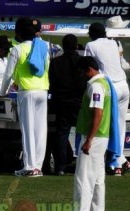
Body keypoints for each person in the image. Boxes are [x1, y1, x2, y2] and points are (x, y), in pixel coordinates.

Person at [62, 56, 111, 211]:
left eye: (82, 71)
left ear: (89, 69)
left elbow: (98, 113)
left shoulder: (96, 86)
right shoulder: (105, 83)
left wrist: (88, 140)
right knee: (97, 180)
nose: (81, 75)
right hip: (101, 136)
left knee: (83, 179)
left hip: (94, 138)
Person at [0, 17, 50, 177]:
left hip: (26, 91)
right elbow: (47, 67)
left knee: (28, 130)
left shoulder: (17, 49)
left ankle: (29, 167)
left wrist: (2, 92)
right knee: (41, 130)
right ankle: (38, 166)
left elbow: (7, 74)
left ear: (20, 34)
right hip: (43, 90)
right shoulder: (43, 47)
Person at [85, 22, 130, 176]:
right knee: (119, 125)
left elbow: (87, 66)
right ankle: (118, 162)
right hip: (123, 86)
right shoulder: (114, 43)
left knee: (108, 125)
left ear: (91, 34)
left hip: (110, 86)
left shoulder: (91, 45)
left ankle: (118, 161)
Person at [48, 34, 87, 175]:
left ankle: (60, 167)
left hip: (61, 102)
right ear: (76, 45)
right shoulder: (83, 62)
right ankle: (84, 165)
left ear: (63, 46)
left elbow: (51, 83)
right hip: (79, 102)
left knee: (62, 134)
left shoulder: (55, 62)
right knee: (84, 133)